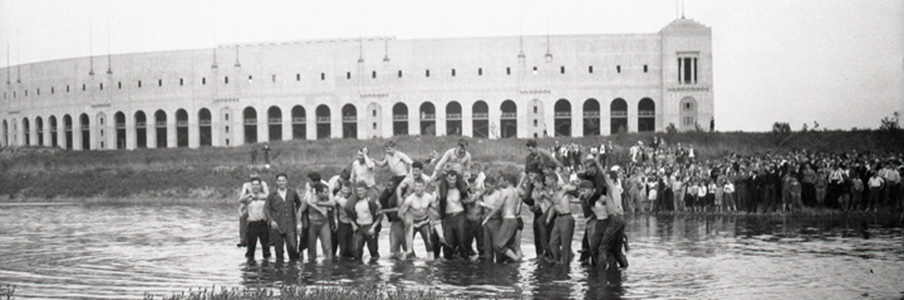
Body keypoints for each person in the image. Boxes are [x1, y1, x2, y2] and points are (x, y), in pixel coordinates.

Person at [483, 174, 523, 262]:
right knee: (512, 245)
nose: (500, 183)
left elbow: (498, 207)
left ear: (507, 182)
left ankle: (516, 259)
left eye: (502, 181)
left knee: (498, 245)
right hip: (515, 219)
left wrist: (487, 218)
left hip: (508, 219)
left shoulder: (505, 191)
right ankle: (516, 263)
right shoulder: (517, 191)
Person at [437, 169, 473, 259]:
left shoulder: (460, 190)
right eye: (450, 179)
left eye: (454, 179)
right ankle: (449, 264)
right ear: (446, 179)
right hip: (448, 217)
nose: (452, 182)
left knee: (462, 240)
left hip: (459, 215)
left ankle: (465, 261)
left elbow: (469, 198)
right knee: (448, 242)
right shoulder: (442, 191)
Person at [266, 173, 302, 261]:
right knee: (279, 251)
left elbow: (299, 205)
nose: (281, 183)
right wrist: (271, 221)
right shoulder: (272, 195)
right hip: (277, 226)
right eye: (279, 181)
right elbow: (266, 209)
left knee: (293, 248)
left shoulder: (292, 192)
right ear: (276, 182)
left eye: (283, 181)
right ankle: (280, 271)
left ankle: (293, 270)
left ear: (286, 181)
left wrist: (299, 222)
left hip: (290, 225)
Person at [544, 174, 579, 265]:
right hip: (558, 219)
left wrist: (575, 185)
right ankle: (559, 261)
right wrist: (548, 219)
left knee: (565, 246)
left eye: (547, 180)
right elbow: (553, 205)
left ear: (553, 180)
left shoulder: (564, 189)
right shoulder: (552, 192)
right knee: (553, 243)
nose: (545, 182)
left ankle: (565, 267)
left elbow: (575, 187)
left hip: (566, 217)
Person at [398, 178, 437, 259]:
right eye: (415, 186)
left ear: (423, 187)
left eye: (419, 186)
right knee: (407, 248)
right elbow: (400, 213)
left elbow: (434, 210)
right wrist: (407, 223)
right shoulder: (410, 199)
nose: (417, 188)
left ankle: (431, 265)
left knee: (430, 245)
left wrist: (433, 222)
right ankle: (406, 266)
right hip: (413, 223)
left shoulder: (429, 198)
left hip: (424, 221)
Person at [346, 182, 382, 260]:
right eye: (358, 191)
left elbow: (380, 216)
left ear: (366, 191)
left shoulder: (370, 201)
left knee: (373, 252)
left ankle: (375, 268)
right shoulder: (355, 203)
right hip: (359, 227)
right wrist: (353, 224)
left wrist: (373, 227)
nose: (360, 193)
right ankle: (359, 270)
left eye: (361, 191)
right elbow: (349, 216)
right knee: (356, 252)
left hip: (369, 226)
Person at [303, 182, 335, 261]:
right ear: (319, 193)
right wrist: (300, 224)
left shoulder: (328, 198)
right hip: (312, 224)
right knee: (311, 248)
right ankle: (312, 267)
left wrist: (320, 203)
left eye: (327, 192)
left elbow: (333, 204)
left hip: (324, 223)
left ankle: (328, 267)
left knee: (327, 247)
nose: (327, 194)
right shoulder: (310, 198)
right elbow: (301, 210)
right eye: (325, 192)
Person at [238, 172, 269, 247]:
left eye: (255, 175)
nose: (254, 176)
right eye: (252, 175)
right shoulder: (246, 185)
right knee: (242, 217)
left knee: (268, 215)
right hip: (249, 202)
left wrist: (258, 197)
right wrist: (250, 196)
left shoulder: (263, 184)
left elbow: (268, 195)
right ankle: (243, 239)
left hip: (261, 200)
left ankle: (270, 239)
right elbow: (241, 198)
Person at [243, 177, 271, 260]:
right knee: (250, 249)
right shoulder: (248, 198)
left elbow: (270, 199)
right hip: (252, 224)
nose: (255, 187)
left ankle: (266, 269)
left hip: (263, 224)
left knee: (266, 249)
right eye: (253, 185)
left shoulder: (265, 197)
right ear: (251, 186)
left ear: (260, 186)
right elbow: (241, 207)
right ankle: (250, 268)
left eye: (257, 185)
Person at [333, 181, 356, 259]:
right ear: (341, 189)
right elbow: (335, 209)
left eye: (348, 190)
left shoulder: (354, 196)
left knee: (351, 249)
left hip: (352, 223)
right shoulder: (338, 195)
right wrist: (335, 220)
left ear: (351, 189)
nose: (346, 192)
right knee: (343, 248)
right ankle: (342, 267)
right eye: (344, 190)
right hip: (342, 222)